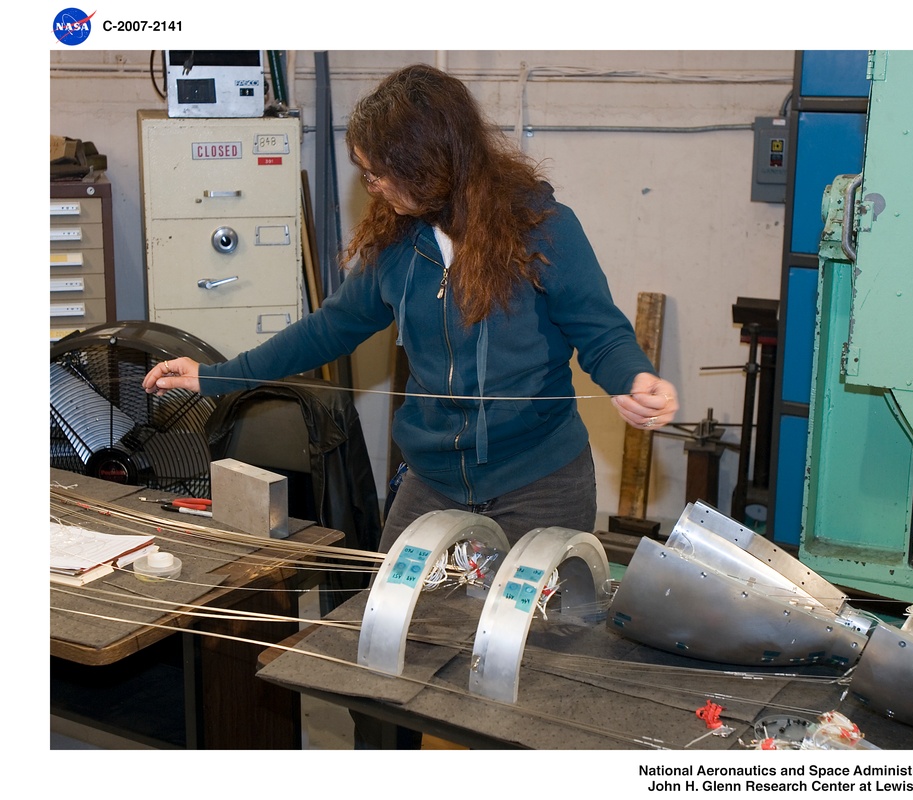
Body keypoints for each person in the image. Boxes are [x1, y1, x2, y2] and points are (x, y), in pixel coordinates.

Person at [143, 63, 678, 746]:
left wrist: (633, 377)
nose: (372, 186)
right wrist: (219, 376)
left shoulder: (542, 228)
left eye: (380, 172)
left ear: (430, 163)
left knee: (544, 673)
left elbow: (599, 332)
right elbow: (330, 327)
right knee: (386, 655)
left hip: (540, 485)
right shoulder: (400, 243)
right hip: (432, 486)